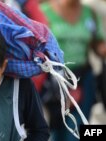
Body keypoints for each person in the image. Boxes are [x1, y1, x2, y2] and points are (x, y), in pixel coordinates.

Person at [40, 0, 106, 141]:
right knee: (53, 130)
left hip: (82, 80)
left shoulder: (90, 14)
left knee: (78, 130)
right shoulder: (43, 12)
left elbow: (99, 44)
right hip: (53, 82)